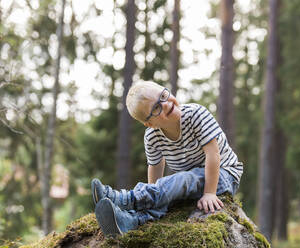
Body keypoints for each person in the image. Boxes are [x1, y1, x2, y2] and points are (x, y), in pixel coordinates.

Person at [92, 81, 243, 236]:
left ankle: (128, 199)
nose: (165, 104)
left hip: (224, 175)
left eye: (163, 96)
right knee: (169, 193)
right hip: (191, 181)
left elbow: (213, 154)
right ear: (150, 124)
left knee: (183, 179)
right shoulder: (152, 137)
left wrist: (210, 193)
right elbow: (155, 166)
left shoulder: (196, 114)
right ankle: (131, 221)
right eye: (156, 108)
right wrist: (153, 198)